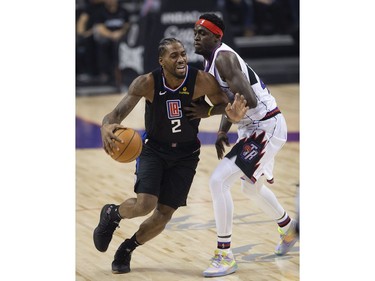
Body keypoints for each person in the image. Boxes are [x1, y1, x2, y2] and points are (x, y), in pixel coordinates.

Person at [93, 37, 249, 274]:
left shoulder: (201, 80)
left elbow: (225, 106)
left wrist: (208, 111)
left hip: (187, 155)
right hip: (154, 150)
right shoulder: (147, 83)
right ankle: (112, 214)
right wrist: (106, 126)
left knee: (163, 215)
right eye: (174, 55)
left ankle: (127, 247)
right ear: (161, 61)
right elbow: (115, 115)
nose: (181, 59)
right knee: (145, 204)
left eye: (183, 54)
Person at [188, 13, 299, 277]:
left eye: (203, 33)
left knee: (218, 181)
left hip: (265, 126)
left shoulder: (224, 58)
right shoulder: (213, 62)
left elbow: (246, 99)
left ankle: (224, 255)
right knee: (250, 188)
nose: (196, 37)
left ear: (217, 37)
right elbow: (232, 101)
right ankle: (288, 228)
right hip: (253, 127)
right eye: (195, 32)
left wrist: (211, 111)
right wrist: (222, 130)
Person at [94, 0, 130, 88]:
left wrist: (120, 33)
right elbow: (100, 28)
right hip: (107, 37)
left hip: (121, 37)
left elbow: (127, 26)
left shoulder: (124, 11)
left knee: (121, 45)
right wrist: (111, 35)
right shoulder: (100, 12)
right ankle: (105, 74)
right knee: (104, 43)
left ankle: (121, 75)